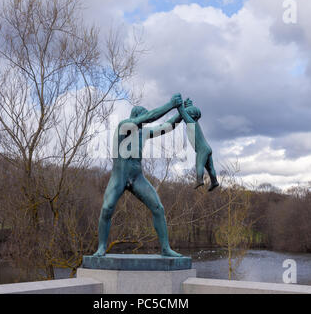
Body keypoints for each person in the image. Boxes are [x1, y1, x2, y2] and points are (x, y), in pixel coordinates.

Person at [93, 93, 185, 257]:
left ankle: (165, 248)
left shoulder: (142, 133)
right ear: (136, 118)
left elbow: (167, 126)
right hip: (119, 177)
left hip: (137, 177)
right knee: (106, 209)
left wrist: (182, 112)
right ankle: (101, 247)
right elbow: (150, 117)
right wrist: (171, 104)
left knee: (158, 208)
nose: (145, 122)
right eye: (142, 119)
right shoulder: (124, 126)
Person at [177, 97, 219, 192]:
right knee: (210, 167)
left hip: (202, 149)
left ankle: (199, 180)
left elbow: (183, 114)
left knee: (199, 165)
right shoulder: (195, 123)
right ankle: (214, 181)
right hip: (207, 148)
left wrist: (179, 106)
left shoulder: (191, 122)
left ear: (191, 115)